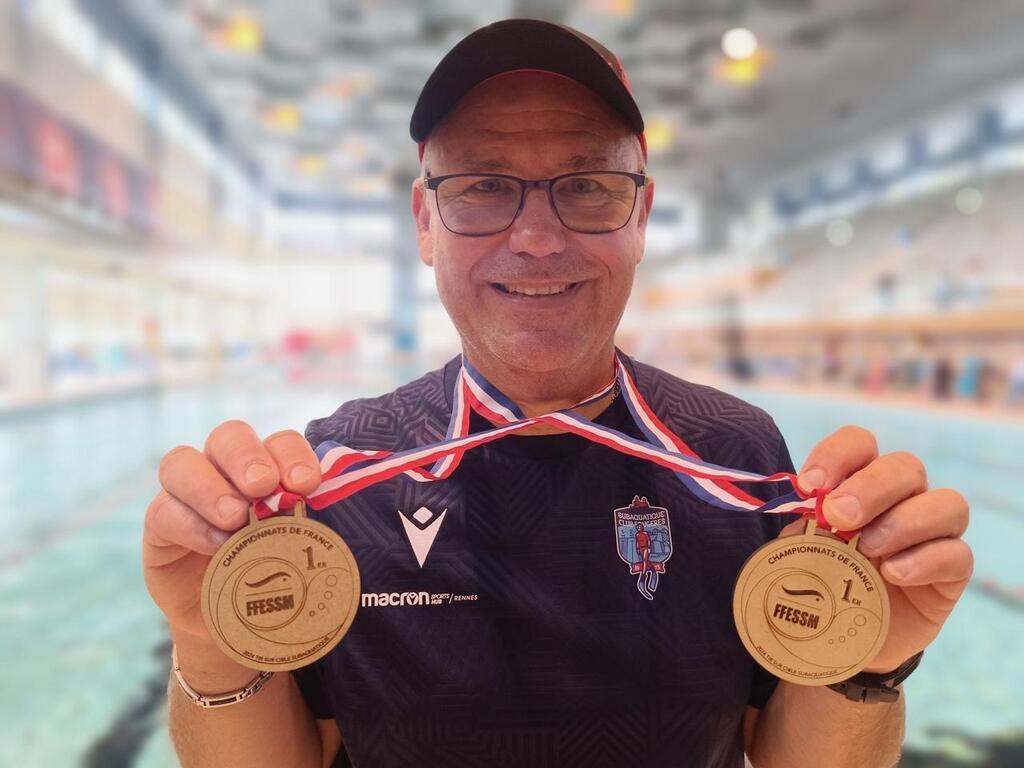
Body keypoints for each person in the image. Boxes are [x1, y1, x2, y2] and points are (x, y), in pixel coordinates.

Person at [144, 19, 973, 768]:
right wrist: (206, 641)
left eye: (586, 186)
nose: (537, 240)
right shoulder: (334, 475)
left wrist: (865, 666)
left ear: (640, 215)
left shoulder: (734, 455)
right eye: (481, 186)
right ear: (425, 224)